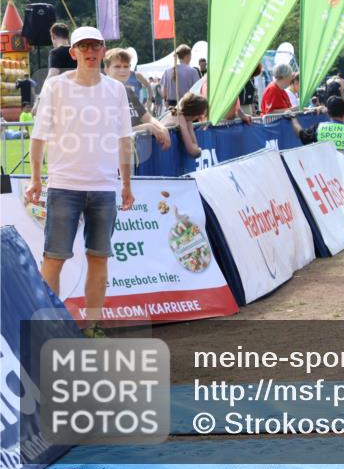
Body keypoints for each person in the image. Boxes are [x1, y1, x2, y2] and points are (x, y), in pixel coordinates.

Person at [26, 26, 134, 338]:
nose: (90, 52)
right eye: (83, 47)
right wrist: (35, 178)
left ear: (103, 50)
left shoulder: (116, 90)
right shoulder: (56, 87)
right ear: (72, 53)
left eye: (95, 46)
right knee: (54, 259)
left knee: (99, 258)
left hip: (104, 188)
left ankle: (93, 326)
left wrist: (125, 184)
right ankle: (50, 330)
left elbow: (125, 140)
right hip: (63, 186)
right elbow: (38, 136)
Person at [103, 48, 172, 151]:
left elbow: (147, 117)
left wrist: (162, 128)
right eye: (117, 66)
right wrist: (147, 127)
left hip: (136, 152)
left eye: (126, 66)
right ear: (107, 69)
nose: (122, 70)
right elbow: (114, 132)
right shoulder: (103, 94)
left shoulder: (128, 91)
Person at [160, 92, 209, 158]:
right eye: (201, 114)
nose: (200, 116)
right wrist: (199, 151)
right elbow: (193, 151)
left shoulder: (179, 114)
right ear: (196, 113)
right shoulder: (179, 115)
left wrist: (189, 125)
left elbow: (194, 146)